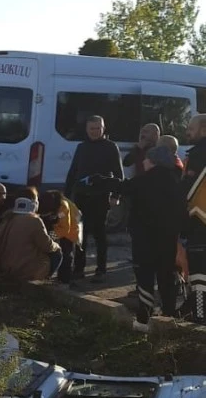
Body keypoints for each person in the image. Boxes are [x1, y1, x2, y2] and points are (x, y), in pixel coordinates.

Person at [121, 144, 186, 333]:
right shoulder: (176, 181)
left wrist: (100, 182)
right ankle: (168, 317)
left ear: (154, 161)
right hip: (168, 238)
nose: (143, 161)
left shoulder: (143, 180)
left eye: (147, 159)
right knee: (166, 276)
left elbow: (124, 187)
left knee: (145, 277)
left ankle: (143, 319)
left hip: (144, 238)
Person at [63, 114, 123, 282]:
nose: (95, 131)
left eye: (98, 128)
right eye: (92, 128)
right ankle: (78, 268)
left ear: (103, 128)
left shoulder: (111, 147)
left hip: (100, 196)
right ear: (86, 129)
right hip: (81, 196)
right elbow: (72, 172)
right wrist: (66, 196)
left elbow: (119, 174)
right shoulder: (81, 147)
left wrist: (116, 195)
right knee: (80, 233)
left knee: (99, 234)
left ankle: (101, 269)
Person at [0, 187, 62, 287]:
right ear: (33, 203)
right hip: (23, 269)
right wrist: (56, 245)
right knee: (57, 253)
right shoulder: (34, 221)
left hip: (2, 266)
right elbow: (47, 246)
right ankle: (38, 282)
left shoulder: (7, 218)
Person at [182, 114, 206, 323]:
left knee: (198, 272)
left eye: (191, 128)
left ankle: (199, 316)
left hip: (199, 223)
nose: (187, 131)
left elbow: (187, 190)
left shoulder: (199, 154)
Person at [39, 189, 82, 284]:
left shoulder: (63, 208)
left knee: (66, 254)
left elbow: (65, 229)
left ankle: (64, 280)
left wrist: (50, 237)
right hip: (56, 226)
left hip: (71, 229)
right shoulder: (44, 202)